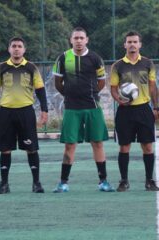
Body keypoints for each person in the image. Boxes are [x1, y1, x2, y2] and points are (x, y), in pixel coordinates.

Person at [52, 27, 114, 192]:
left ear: (87, 40)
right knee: (70, 145)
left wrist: (91, 94)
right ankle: (63, 183)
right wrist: (69, 94)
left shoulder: (95, 58)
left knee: (97, 143)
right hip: (72, 108)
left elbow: (101, 82)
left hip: (92, 107)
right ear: (71, 40)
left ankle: (103, 182)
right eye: (76, 38)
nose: (78, 41)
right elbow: (58, 83)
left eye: (81, 38)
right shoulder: (63, 58)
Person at [0, 37, 48, 194]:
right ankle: (4, 184)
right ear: (9, 49)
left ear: (24, 50)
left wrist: (44, 110)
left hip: (26, 112)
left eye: (20, 46)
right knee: (5, 149)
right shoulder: (1, 68)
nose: (17, 49)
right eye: (14, 46)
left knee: (31, 148)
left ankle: (36, 183)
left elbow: (40, 90)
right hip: (6, 112)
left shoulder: (32, 68)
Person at [110, 31, 159, 192]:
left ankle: (149, 180)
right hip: (125, 112)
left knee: (147, 146)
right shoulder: (118, 65)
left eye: (135, 42)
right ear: (124, 45)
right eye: (129, 42)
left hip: (144, 109)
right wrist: (119, 100)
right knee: (124, 147)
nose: (132, 44)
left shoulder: (147, 63)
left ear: (140, 44)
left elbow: (153, 86)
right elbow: (113, 89)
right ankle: (124, 181)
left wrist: (156, 107)